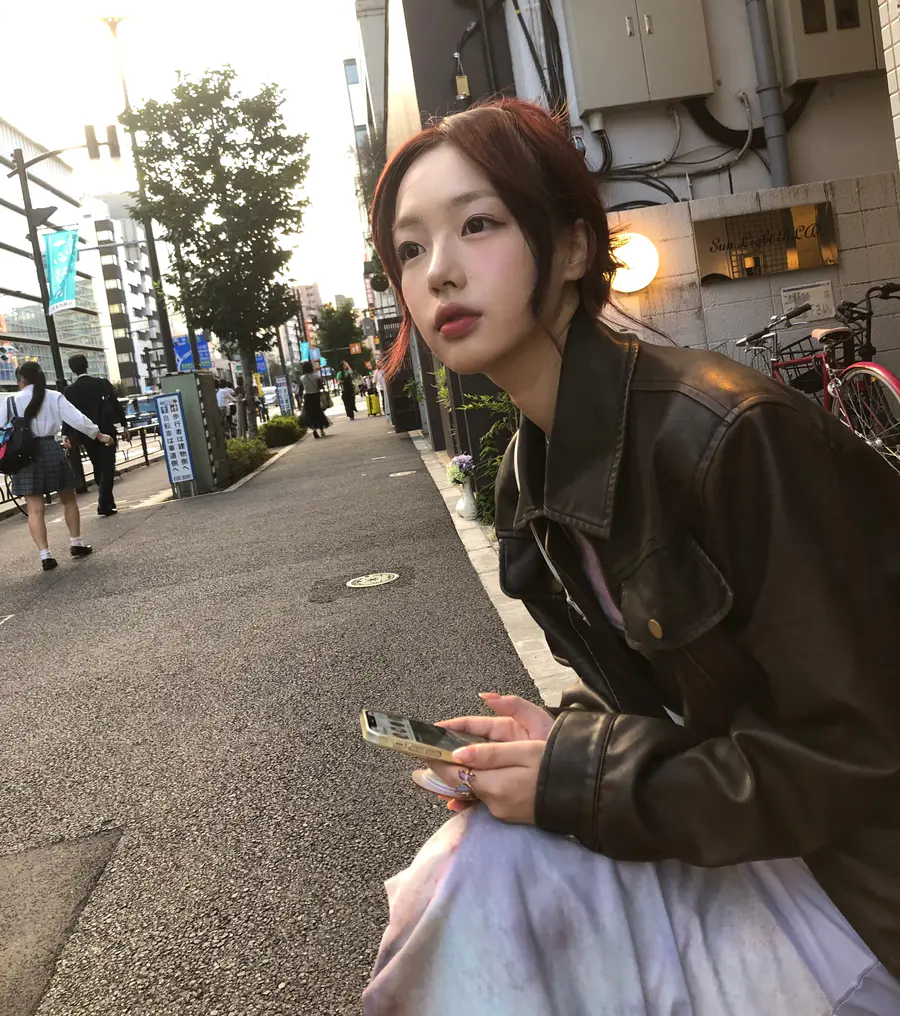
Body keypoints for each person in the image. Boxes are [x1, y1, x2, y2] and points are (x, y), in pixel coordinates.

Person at [363, 97, 900, 1013]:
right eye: (410, 249)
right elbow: (678, 702)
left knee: (486, 885)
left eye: (478, 224)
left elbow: (862, 750)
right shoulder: (529, 481)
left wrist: (580, 777)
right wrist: (558, 742)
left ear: (574, 247)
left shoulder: (728, 437)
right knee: (477, 864)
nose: (439, 270)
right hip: (764, 849)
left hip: (859, 887)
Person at [6, 362, 115, 571]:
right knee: (68, 498)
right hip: (50, 449)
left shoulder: (10, 401)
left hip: (23, 454)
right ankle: (76, 543)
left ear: (21, 380)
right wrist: (100, 436)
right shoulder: (53, 396)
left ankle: (45, 556)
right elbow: (77, 419)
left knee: (35, 509)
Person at [61, 353, 128, 517]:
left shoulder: (70, 391)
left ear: (72, 369)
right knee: (108, 466)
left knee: (98, 466)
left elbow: (68, 414)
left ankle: (108, 502)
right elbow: (115, 404)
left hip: (86, 435)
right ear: (87, 365)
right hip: (107, 430)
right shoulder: (102, 383)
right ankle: (104, 503)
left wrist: (65, 433)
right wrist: (124, 424)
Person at [299, 360, 329, 439]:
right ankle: (322, 430)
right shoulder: (316, 376)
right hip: (316, 396)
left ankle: (314, 429)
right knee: (318, 413)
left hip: (307, 397)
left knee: (310, 415)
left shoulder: (302, 378)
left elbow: (300, 390)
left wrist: (300, 398)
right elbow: (321, 386)